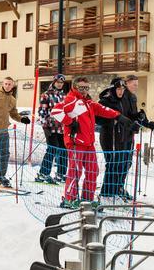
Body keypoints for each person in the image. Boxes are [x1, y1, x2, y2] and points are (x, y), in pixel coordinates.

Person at [51, 77, 132, 209]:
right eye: (81, 87)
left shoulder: (88, 102)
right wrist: (70, 122)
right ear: (75, 87)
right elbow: (55, 111)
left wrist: (118, 116)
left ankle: (87, 198)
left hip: (88, 142)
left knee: (93, 170)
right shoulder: (71, 100)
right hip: (76, 142)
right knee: (75, 171)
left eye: (86, 87)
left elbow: (102, 109)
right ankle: (69, 199)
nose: (84, 90)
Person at [98, 77, 134, 200]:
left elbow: (128, 115)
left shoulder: (124, 100)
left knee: (123, 164)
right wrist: (113, 120)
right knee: (113, 164)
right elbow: (98, 119)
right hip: (110, 136)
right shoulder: (106, 101)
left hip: (122, 136)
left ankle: (117, 188)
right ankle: (107, 193)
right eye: (118, 89)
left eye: (123, 89)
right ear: (113, 89)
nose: (121, 91)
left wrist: (138, 119)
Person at [36, 74, 68, 184]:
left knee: (64, 150)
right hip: (51, 127)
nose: (60, 84)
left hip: (62, 128)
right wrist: (45, 126)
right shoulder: (46, 95)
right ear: (54, 82)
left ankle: (61, 174)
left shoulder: (64, 96)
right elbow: (42, 111)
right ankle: (43, 173)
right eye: (58, 82)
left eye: (61, 83)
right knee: (52, 149)